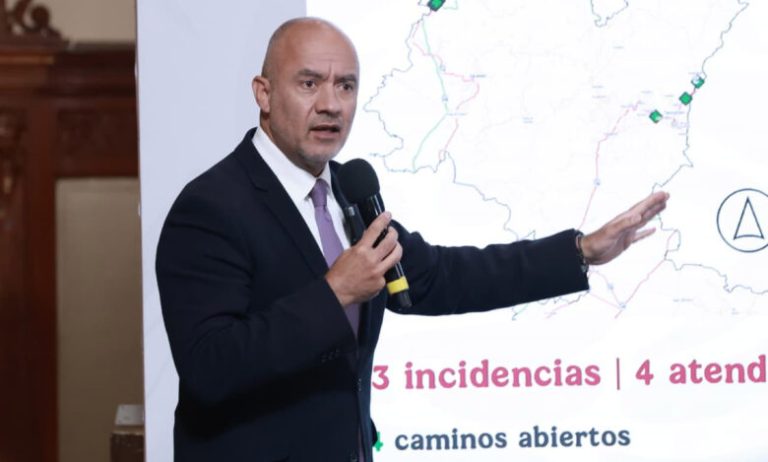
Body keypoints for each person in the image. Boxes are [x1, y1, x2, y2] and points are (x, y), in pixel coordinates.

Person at [156, 17, 669, 462]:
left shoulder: (348, 192)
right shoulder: (211, 208)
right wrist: (334, 293)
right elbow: (210, 368)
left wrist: (580, 251)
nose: (331, 105)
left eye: (346, 86)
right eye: (309, 83)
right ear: (264, 93)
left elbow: (443, 276)